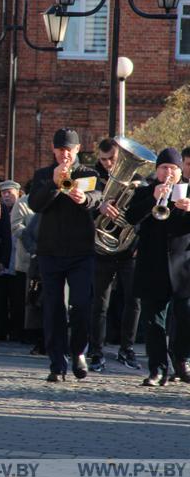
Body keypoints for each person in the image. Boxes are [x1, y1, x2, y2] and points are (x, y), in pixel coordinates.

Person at [28, 128, 102, 382]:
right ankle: (56, 362)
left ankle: (79, 351)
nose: (64, 154)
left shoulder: (89, 173)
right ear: (53, 149)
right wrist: (54, 182)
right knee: (53, 308)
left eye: (69, 150)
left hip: (81, 252)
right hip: (50, 252)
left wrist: (85, 199)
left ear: (78, 149)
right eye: (60, 150)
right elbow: (35, 204)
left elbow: (98, 197)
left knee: (81, 305)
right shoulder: (42, 175)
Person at [124, 148, 190, 386]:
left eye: (173, 168)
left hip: (183, 266)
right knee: (154, 322)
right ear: (157, 170)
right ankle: (157, 369)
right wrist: (153, 197)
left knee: (186, 316)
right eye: (164, 168)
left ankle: (182, 360)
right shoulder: (144, 190)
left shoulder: (187, 191)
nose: (168, 172)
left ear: (180, 169)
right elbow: (130, 218)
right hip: (152, 265)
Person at [89, 138, 141, 371]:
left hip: (129, 250)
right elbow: (84, 209)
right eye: (104, 159)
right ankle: (96, 350)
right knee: (100, 303)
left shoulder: (137, 182)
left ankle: (127, 349)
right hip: (102, 251)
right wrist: (97, 208)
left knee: (133, 300)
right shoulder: (93, 180)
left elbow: (143, 215)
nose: (109, 164)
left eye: (113, 159)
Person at [0, 180, 27, 344]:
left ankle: (17, 331)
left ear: (18, 193)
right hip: (3, 265)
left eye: (9, 192)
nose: (6, 196)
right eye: (3, 193)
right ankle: (0, 331)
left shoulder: (24, 208)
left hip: (19, 263)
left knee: (18, 300)